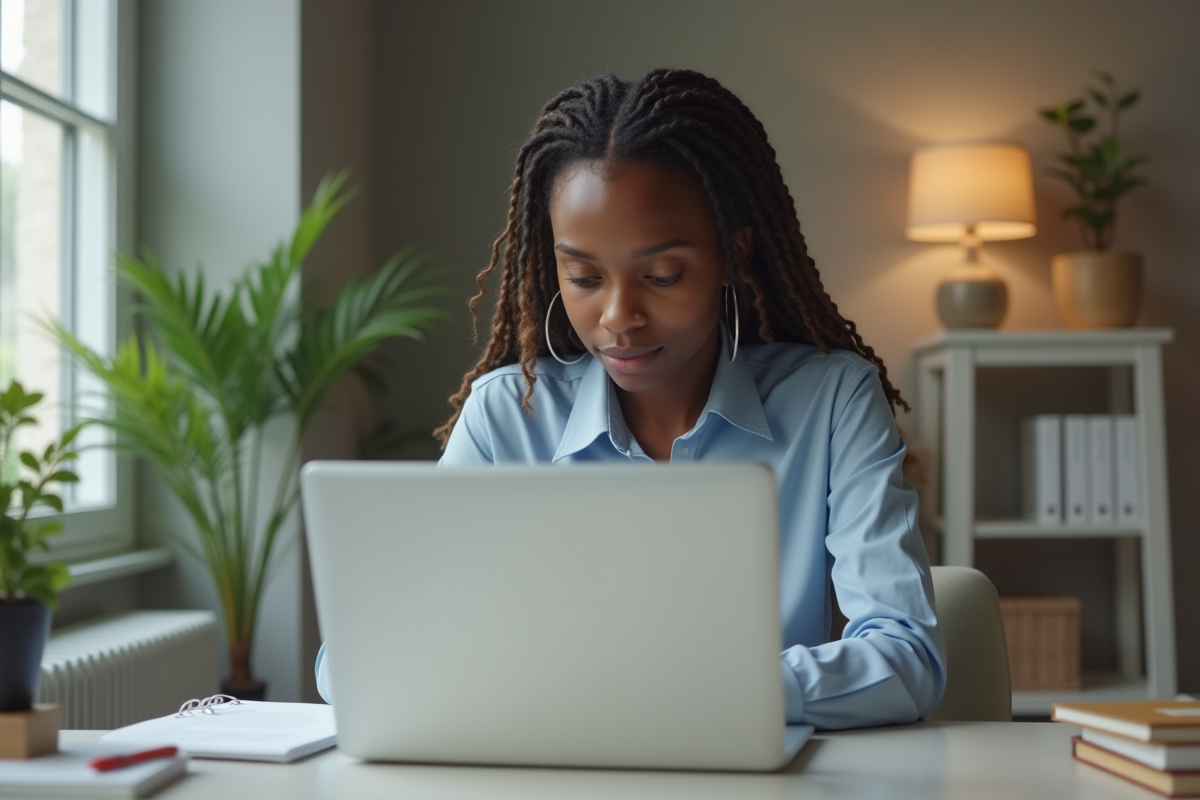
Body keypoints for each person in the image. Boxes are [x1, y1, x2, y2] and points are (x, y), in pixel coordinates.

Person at [316, 68, 946, 729]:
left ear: (734, 255)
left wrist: (706, 691)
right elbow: (355, 662)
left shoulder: (832, 401)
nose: (618, 315)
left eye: (662, 275)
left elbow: (907, 658)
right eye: (584, 276)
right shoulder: (509, 418)